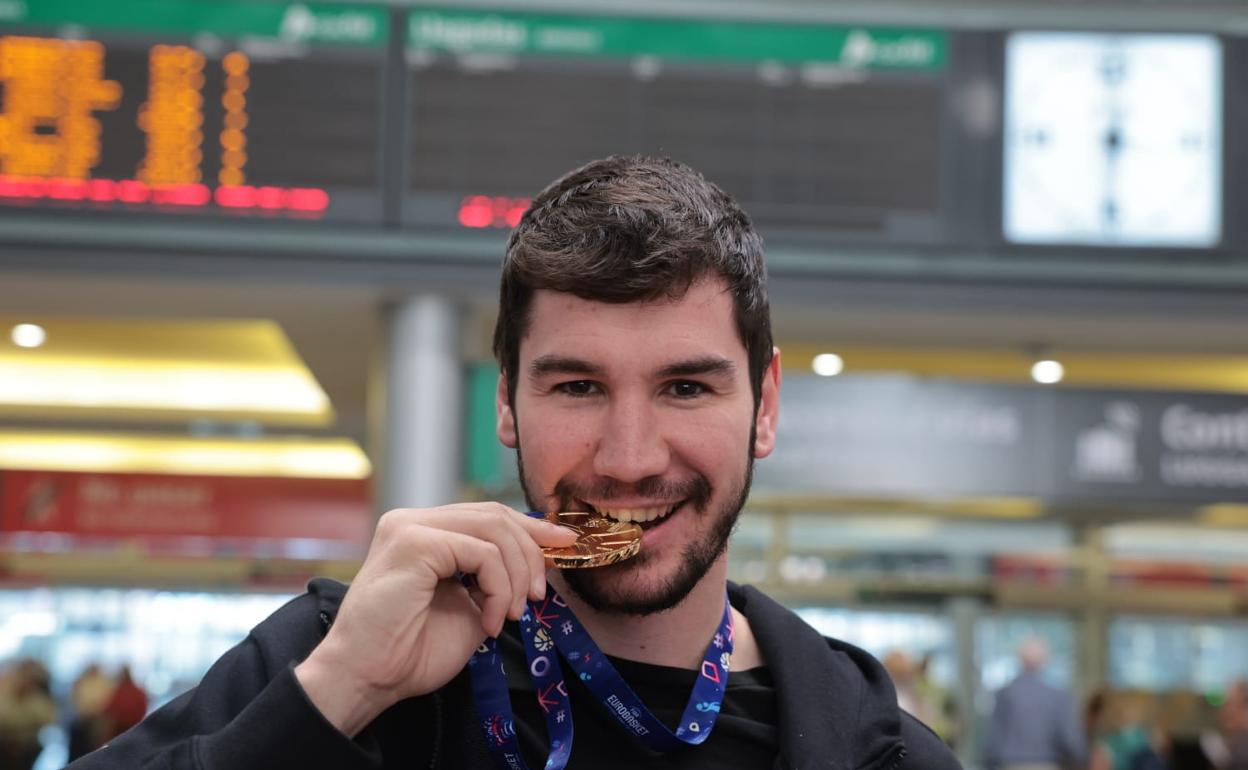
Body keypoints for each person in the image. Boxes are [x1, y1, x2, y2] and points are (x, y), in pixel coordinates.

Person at [68, 156, 961, 769]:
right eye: (577, 388)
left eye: (687, 389)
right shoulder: (339, 657)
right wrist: (338, 692)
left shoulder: (877, 749)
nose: (629, 456)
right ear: (505, 402)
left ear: (764, 406)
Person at [983, 637, 1084, 770]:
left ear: (1020, 659)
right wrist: (1081, 760)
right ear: (1045, 660)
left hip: (1009, 765)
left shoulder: (1004, 694)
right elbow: (1069, 738)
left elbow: (994, 738)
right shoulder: (1057, 696)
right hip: (1046, 764)